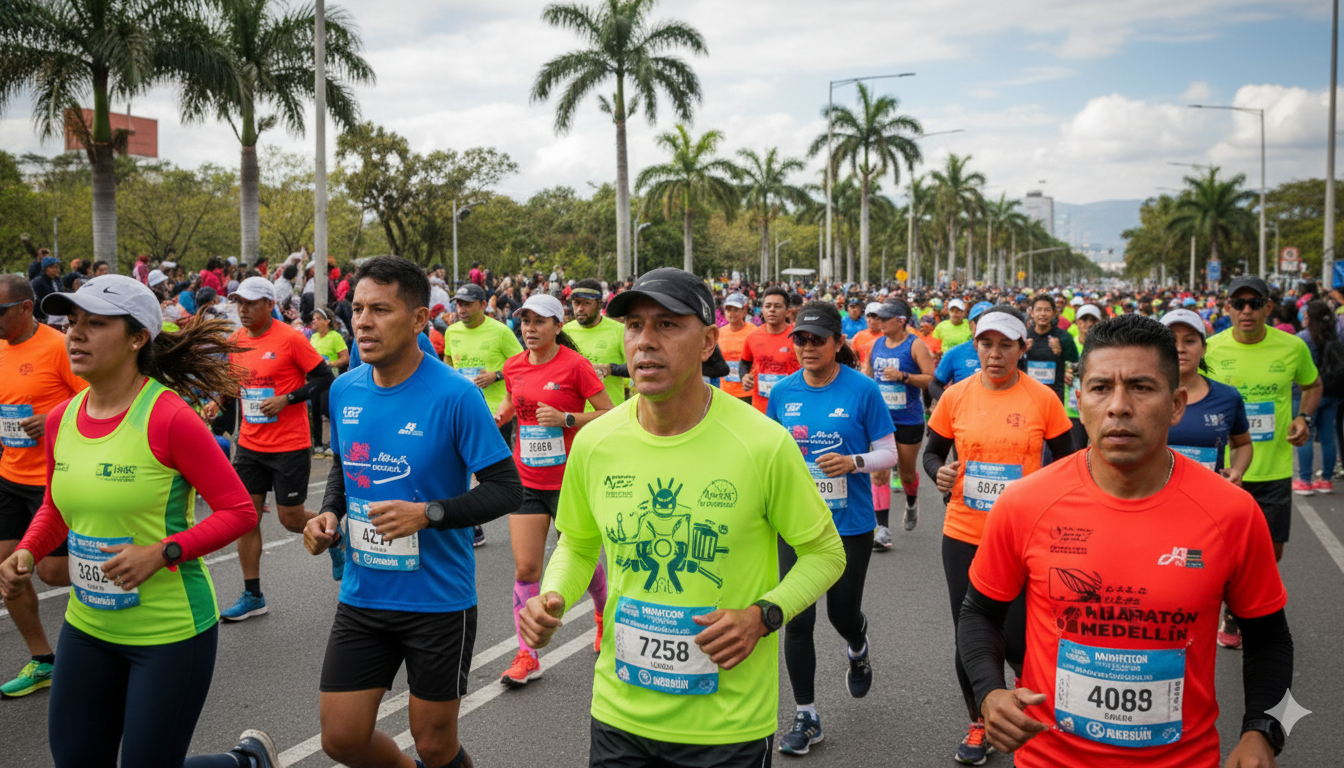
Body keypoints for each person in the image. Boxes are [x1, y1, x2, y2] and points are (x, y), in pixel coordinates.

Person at [518, 267, 845, 768]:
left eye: (667, 325)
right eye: (634, 326)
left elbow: (824, 552)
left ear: (709, 341)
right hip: (619, 713)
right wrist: (554, 594)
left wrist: (764, 615)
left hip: (727, 725)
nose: (645, 342)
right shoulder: (595, 441)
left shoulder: (763, 443)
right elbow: (579, 543)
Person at [959, 314, 1293, 768]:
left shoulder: (1232, 513)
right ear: (1079, 401)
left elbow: (1270, 640)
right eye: (1100, 388)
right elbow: (979, 612)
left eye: (1140, 387)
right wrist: (989, 692)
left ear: (1176, 404)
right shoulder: (1024, 504)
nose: (1118, 406)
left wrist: (1264, 732)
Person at [0, 275, 280, 767]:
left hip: (168, 633)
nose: (75, 334)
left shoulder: (169, 418)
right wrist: (28, 550)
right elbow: (56, 506)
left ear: (137, 338)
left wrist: (163, 551)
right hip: (87, 626)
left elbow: (238, 511)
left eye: (96, 324)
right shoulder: (62, 418)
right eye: (71, 323)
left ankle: (244, 762)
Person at [302, 256, 522, 768]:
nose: (362, 322)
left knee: (434, 743)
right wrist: (328, 516)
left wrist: (430, 514)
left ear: (420, 320)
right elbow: (344, 468)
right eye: (357, 309)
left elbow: (506, 490)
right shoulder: (344, 389)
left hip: (438, 602)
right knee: (342, 739)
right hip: (363, 595)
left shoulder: (455, 396)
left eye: (380, 309)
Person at [922, 306, 1075, 766]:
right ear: (975, 347)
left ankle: (1027, 712)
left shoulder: (1043, 399)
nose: (995, 354)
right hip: (964, 534)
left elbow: (1070, 464)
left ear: (1022, 349)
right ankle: (980, 721)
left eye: (1006, 345)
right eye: (986, 344)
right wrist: (940, 474)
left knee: (1019, 639)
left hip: (1024, 540)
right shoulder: (955, 396)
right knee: (970, 635)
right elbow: (932, 454)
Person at [766, 302, 897, 755]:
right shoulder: (782, 393)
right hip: (796, 526)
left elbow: (889, 453)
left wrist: (853, 462)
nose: (806, 347)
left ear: (838, 343)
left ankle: (858, 645)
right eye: (800, 339)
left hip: (849, 525)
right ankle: (806, 716)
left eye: (816, 339)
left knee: (842, 615)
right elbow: (770, 457)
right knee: (796, 620)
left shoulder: (862, 391)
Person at [492, 293, 614, 685]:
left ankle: (600, 611)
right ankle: (527, 655)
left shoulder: (575, 366)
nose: (529, 328)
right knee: (527, 567)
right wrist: (498, 416)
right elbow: (514, 401)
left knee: (579, 557)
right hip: (527, 479)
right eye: (524, 321)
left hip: (570, 482)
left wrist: (568, 418)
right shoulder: (513, 366)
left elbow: (608, 413)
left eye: (539, 321)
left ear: (557, 327)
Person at [212, 276, 336, 619]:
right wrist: (218, 407)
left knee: (291, 520)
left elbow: (324, 378)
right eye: (239, 303)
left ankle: (334, 534)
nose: (243, 310)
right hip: (250, 445)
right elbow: (234, 387)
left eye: (251, 303)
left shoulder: (291, 339)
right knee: (245, 518)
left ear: (270, 304)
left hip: (289, 444)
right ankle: (253, 595)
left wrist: (288, 399)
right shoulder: (236, 340)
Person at [0, 276, 86, 698]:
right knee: (7, 571)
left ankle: (131, 575)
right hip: (10, 473)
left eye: (0, 311)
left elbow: (94, 397)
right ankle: (44, 660)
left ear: (24, 308)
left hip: (52, 479)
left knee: (52, 571)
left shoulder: (58, 346)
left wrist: (50, 415)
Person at [1205, 275, 1318, 575]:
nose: (1246, 311)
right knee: (1223, 549)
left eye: (1254, 304)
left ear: (1267, 307)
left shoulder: (1292, 347)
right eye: (1238, 304)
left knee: (1271, 551)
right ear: (1227, 308)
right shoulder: (1210, 350)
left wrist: (1303, 417)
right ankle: (1234, 613)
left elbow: (1313, 385)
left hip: (1274, 468)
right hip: (1224, 470)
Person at [445, 283, 524, 548]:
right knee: (457, 468)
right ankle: (472, 525)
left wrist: (496, 375)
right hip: (458, 411)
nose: (462, 310)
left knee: (486, 475)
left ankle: (475, 521)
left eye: (467, 304)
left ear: (482, 305)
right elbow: (447, 363)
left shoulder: (501, 332)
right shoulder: (452, 331)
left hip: (495, 412)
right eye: (458, 304)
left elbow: (522, 363)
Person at [863, 300, 934, 545]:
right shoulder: (875, 345)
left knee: (905, 474)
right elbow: (867, 378)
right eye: (876, 318)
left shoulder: (916, 346)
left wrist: (904, 376)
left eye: (884, 319)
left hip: (908, 419)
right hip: (881, 420)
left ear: (901, 320)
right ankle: (882, 529)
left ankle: (912, 501)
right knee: (879, 474)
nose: (878, 322)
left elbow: (930, 381)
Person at [1159, 309, 1252, 489]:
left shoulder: (1228, 397)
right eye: (1171, 341)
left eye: (1190, 341)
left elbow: (1243, 444)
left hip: (1209, 501)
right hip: (1152, 505)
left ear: (1203, 349)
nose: (1180, 348)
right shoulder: (1139, 395)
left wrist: (1237, 470)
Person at [1294, 299, 1340, 494]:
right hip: (1332, 392)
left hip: (1308, 392)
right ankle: (1326, 480)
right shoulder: (1336, 336)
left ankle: (1305, 480)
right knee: (1328, 436)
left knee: (1305, 434)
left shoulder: (1303, 338)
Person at [564, 278, 628, 409]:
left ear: (599, 304)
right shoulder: (565, 332)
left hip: (610, 413)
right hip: (574, 415)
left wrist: (610, 369)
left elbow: (637, 367)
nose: (580, 309)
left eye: (586, 303)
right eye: (576, 303)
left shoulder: (619, 330)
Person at [740, 286, 798, 413]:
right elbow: (745, 361)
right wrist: (744, 377)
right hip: (761, 408)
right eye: (768, 306)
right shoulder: (753, 337)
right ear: (762, 309)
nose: (772, 310)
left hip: (792, 407)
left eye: (777, 306)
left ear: (787, 311)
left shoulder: (798, 337)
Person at [1024, 294, 1079, 405]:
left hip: (1055, 397)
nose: (1043, 314)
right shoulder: (1023, 337)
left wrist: (1061, 352)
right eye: (1038, 310)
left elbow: (1075, 362)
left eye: (1047, 310)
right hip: (1027, 396)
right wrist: (1021, 352)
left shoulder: (1064, 337)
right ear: (1032, 313)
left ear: (1054, 313)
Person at [308, 307, 349, 456]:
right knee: (316, 411)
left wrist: (329, 364)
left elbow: (345, 358)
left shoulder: (335, 337)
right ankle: (318, 444)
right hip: (314, 379)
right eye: (313, 319)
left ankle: (337, 442)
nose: (314, 321)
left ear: (327, 322)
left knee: (328, 410)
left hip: (330, 379)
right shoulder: (313, 338)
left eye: (317, 318)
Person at [931, 302, 993, 399]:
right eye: (981, 322)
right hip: (965, 413)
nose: (987, 327)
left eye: (992, 322)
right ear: (971, 325)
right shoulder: (954, 353)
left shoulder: (1008, 352)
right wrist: (951, 404)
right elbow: (934, 385)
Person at [717, 293, 759, 402]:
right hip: (726, 392)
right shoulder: (719, 333)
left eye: (736, 310)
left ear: (744, 312)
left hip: (749, 392)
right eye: (728, 310)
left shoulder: (754, 332)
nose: (732, 313)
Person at [30, 256, 63, 323]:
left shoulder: (58, 280)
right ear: (47, 268)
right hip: (42, 317)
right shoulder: (38, 282)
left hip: (56, 315)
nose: (58, 269)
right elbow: (38, 300)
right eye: (55, 267)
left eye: (58, 267)